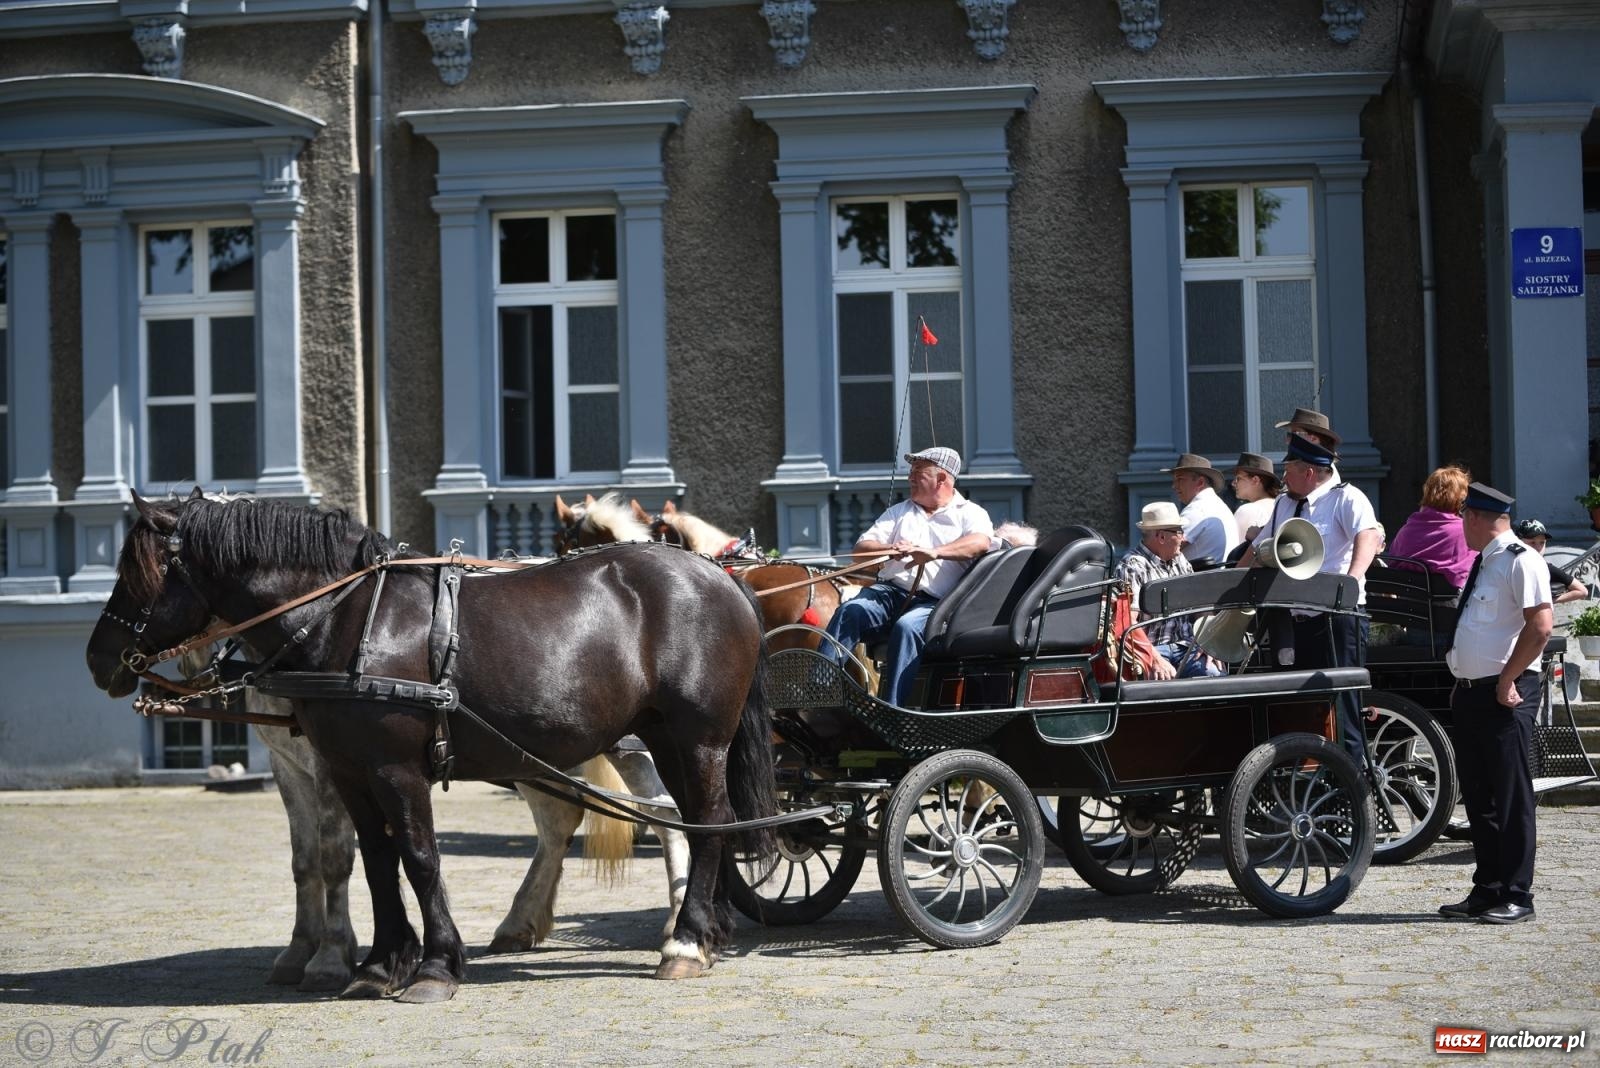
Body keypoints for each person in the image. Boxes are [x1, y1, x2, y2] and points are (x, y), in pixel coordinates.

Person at [1439, 483, 1553, 925]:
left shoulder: (1521, 560)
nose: (1460, 526)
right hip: (1472, 692)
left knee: (1510, 797)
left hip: (1507, 693)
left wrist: (1506, 677)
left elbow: (1540, 626)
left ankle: (1518, 894)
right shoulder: (1487, 562)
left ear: (1474, 517)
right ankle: (1487, 888)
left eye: (1462, 517)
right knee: (1479, 798)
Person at [1237, 432, 1383, 767]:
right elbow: (1259, 546)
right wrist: (1230, 583)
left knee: (1342, 709)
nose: (1283, 476)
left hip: (1336, 617)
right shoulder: (1285, 503)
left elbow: (1369, 535)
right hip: (1295, 619)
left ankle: (1354, 784)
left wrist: (1353, 580)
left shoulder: (1346, 498)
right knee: (1301, 707)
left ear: (1308, 472)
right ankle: (1312, 785)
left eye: (1288, 469)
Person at [823, 446, 993, 706]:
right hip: (890, 594)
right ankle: (817, 689)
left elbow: (979, 543)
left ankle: (893, 710)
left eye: (918, 472)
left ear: (942, 478)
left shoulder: (970, 513)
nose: (910, 478)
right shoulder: (899, 512)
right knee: (851, 610)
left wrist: (934, 553)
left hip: (938, 604)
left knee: (907, 627)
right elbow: (860, 552)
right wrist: (891, 549)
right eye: (911, 472)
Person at [1114, 502, 1225, 679]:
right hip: (1152, 649)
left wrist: (1208, 643)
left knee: (1215, 675)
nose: (1183, 537)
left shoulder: (1181, 561)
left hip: (1186, 647)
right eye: (1179, 531)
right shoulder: (1132, 566)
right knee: (1160, 682)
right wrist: (1155, 659)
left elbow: (1200, 608)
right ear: (1161, 536)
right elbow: (1127, 623)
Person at [1388, 465, 1475, 590]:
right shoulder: (1464, 531)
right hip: (1449, 606)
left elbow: (1392, 564)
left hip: (1408, 605)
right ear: (1461, 498)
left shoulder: (1406, 530)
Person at [1162, 453, 1239, 567]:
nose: (1174, 486)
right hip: (1215, 579)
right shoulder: (1217, 505)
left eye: (1180, 479)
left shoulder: (1197, 509)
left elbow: (1164, 549)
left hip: (1198, 582)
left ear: (1200, 482)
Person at [1515, 518, 1588, 605]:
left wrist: (1548, 601)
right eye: (1532, 542)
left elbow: (1582, 591)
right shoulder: (1510, 564)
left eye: (1542, 542)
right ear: (1519, 542)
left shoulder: (1546, 567)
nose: (1538, 548)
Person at [1231, 452, 1282, 544]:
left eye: (1238, 478)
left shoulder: (1248, 510)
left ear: (1255, 480)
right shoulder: (1282, 506)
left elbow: (1233, 551)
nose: (1234, 483)